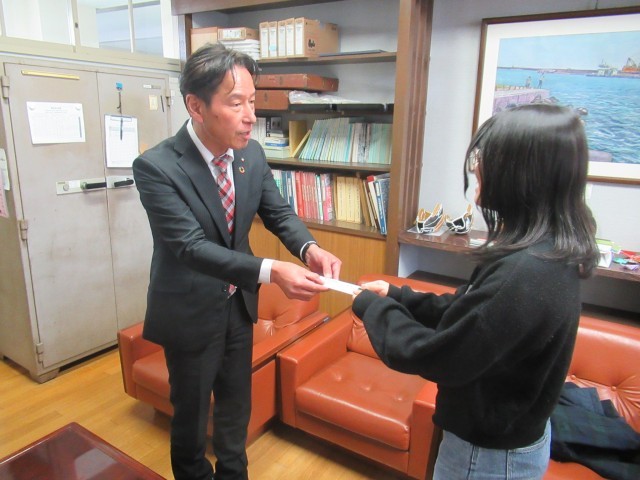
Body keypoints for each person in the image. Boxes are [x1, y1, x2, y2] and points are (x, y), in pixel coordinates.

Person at [352, 104, 599, 480]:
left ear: (520, 172)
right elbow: (471, 311)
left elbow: (438, 357)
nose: (477, 166)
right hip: (511, 441)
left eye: (486, 156)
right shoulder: (549, 251)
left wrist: (372, 308)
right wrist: (397, 295)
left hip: (489, 458)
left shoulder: (525, 274)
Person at [132, 43, 341, 480]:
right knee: (191, 420)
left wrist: (309, 249)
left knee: (235, 410)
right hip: (189, 310)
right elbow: (190, 247)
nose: (251, 116)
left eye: (253, 101)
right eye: (235, 103)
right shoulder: (157, 167)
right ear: (196, 106)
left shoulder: (251, 153)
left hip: (237, 306)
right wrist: (271, 271)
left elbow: (278, 213)